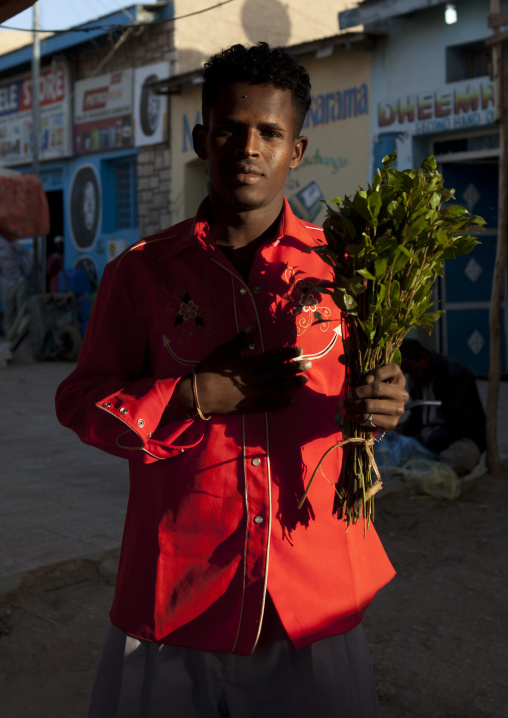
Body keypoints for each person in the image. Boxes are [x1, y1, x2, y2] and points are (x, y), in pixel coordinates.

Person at [55, 43, 408, 718]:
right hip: (180, 594)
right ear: (200, 139)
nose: (249, 148)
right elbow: (80, 402)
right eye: (229, 130)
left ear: (296, 150)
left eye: (270, 133)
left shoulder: (348, 270)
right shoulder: (141, 274)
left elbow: (371, 390)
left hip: (311, 591)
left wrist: (384, 404)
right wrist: (190, 396)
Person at [399, 338, 486, 476]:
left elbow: (458, 424)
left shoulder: (455, 374)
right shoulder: (416, 379)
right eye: (409, 373)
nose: (412, 376)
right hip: (429, 439)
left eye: (413, 370)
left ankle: (430, 465)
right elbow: (417, 418)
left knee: (463, 457)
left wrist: (427, 444)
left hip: (457, 439)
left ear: (424, 357)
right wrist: (402, 429)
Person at [0, 235, 31, 336]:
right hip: (6, 282)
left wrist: (29, 269)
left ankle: (21, 334)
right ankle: (10, 334)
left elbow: (26, 252)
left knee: (21, 309)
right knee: (8, 310)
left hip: (20, 280)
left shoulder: (9, 243)